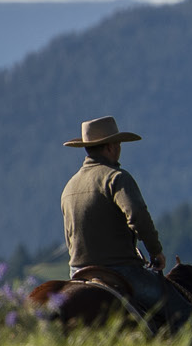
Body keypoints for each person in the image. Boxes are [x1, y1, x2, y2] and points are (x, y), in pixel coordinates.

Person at [61, 115, 167, 313]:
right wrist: (155, 251)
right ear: (110, 147)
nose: (119, 148)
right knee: (177, 304)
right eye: (117, 144)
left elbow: (69, 236)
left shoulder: (69, 187)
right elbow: (137, 216)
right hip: (120, 271)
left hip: (77, 273)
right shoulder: (116, 178)